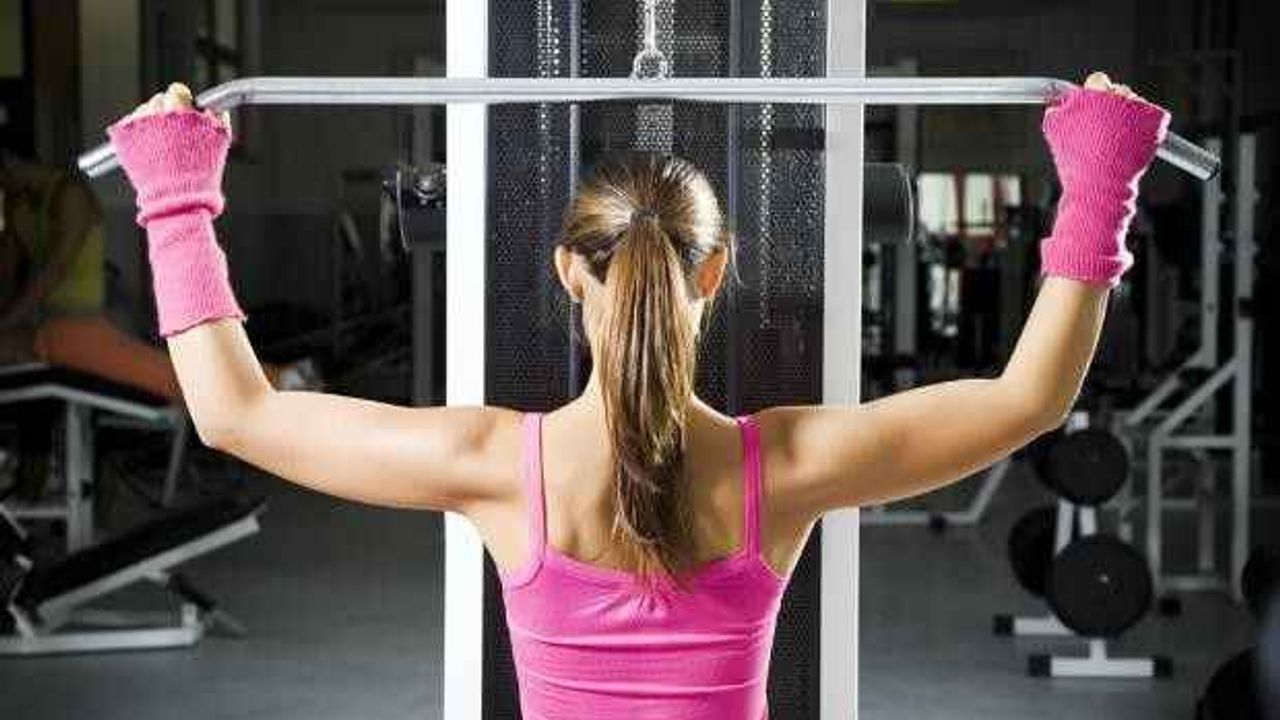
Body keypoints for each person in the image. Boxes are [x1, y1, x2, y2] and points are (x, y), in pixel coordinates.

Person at [103, 73, 1169, 718]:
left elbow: (234, 412)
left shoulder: (496, 466)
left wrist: (175, 200)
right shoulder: (784, 467)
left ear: (571, 273)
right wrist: (1098, 182)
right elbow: (1029, 398)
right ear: (716, 272)